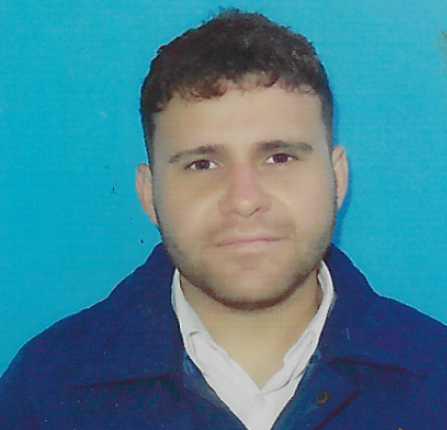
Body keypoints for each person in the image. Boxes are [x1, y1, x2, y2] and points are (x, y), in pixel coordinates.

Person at [1, 9, 446, 429]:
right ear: (149, 194)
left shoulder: (436, 378)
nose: (244, 200)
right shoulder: (44, 393)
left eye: (279, 157)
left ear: (338, 178)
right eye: (202, 165)